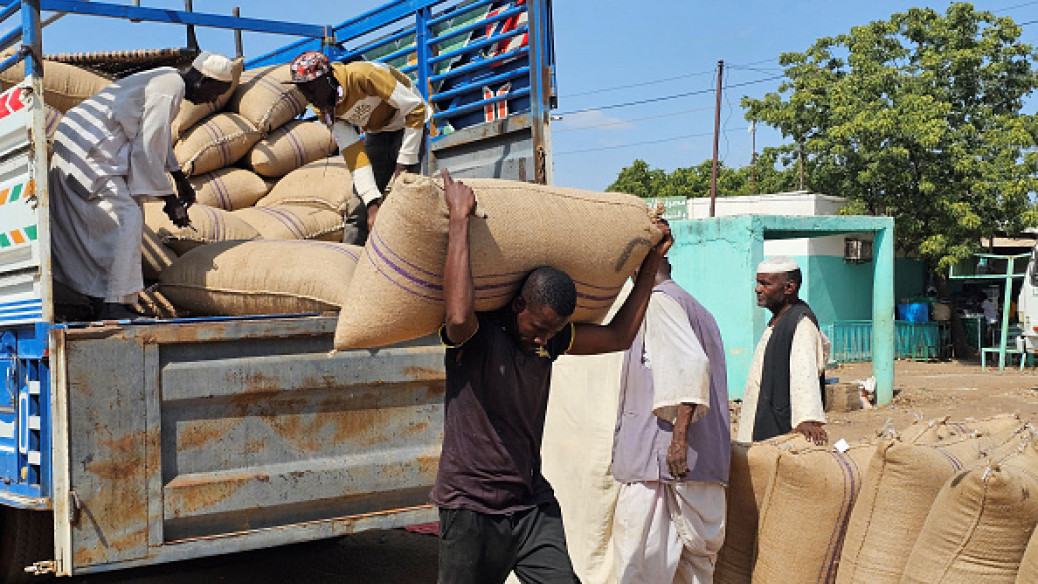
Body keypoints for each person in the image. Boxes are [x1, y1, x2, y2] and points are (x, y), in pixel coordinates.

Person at [434, 168, 672, 584]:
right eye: (539, 326)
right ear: (518, 305)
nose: (545, 337)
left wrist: (649, 271)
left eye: (554, 330)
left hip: (529, 504)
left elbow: (618, 336)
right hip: (470, 506)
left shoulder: (551, 342)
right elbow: (456, 314)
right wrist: (459, 219)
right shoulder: (477, 340)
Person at [49, 51, 234, 321]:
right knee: (127, 218)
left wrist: (179, 178)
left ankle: (104, 302)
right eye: (216, 93)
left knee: (111, 223)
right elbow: (148, 145)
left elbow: (154, 136)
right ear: (203, 82)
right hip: (89, 155)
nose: (213, 100)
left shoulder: (167, 80)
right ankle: (114, 307)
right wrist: (170, 200)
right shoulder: (170, 88)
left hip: (83, 151)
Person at [611, 256, 730, 584]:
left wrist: (678, 440)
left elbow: (691, 365)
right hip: (694, 467)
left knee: (638, 565)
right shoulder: (699, 309)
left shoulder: (658, 303)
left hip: (661, 468)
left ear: (636, 270)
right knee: (691, 571)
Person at [285, 51, 431, 244]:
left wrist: (402, 166)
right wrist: (371, 205)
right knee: (358, 211)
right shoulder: (325, 109)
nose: (309, 98)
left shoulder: (364, 76)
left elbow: (416, 109)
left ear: (328, 78)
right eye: (303, 91)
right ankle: (350, 262)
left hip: (409, 124)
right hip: (378, 133)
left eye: (311, 89)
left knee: (408, 198)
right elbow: (354, 154)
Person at [736, 256, 829, 445]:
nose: (757, 289)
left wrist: (806, 419)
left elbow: (805, 373)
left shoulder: (800, 322)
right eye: (758, 283)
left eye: (765, 284)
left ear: (789, 288)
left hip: (782, 429)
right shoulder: (779, 319)